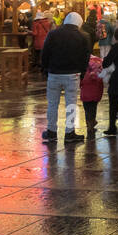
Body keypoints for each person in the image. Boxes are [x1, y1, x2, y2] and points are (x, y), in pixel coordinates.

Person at [41, 11, 91, 144]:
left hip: (54, 73)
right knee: (71, 104)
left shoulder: (52, 34)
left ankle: (51, 131)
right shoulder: (83, 36)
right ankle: (70, 133)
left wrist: (45, 69)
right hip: (73, 75)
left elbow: (45, 53)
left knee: (52, 104)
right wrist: (82, 73)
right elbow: (85, 58)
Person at [80, 54, 105, 136]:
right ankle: (92, 122)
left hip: (85, 94)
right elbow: (102, 81)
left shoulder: (84, 69)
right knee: (93, 108)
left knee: (87, 109)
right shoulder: (99, 64)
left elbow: (80, 82)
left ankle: (89, 125)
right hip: (96, 94)